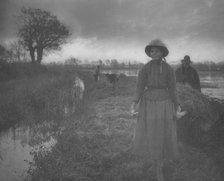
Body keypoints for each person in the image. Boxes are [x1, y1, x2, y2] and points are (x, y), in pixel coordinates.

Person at [131, 39, 180, 181]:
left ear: (162, 53)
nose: (154, 53)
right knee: (151, 131)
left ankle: (161, 164)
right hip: (148, 103)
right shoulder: (144, 69)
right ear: (149, 53)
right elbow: (139, 87)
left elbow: (172, 89)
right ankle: (153, 161)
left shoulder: (169, 69)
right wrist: (134, 102)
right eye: (152, 51)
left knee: (163, 131)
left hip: (165, 103)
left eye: (157, 51)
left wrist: (178, 105)